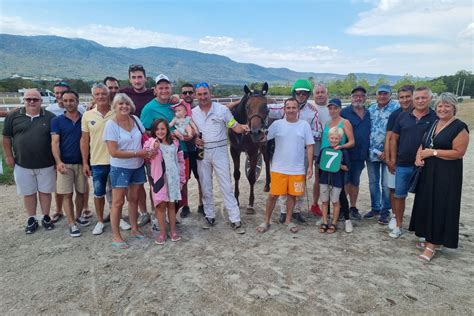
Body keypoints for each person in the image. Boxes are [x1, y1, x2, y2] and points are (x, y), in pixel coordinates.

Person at [410, 93, 469, 261]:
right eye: (440, 106)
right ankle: (430, 237)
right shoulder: (435, 123)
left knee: (441, 206)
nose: (443, 109)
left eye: (447, 106)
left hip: (447, 173)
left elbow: (459, 153)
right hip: (429, 171)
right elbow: (424, 143)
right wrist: (418, 156)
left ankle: (432, 245)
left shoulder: (459, 127)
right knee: (428, 203)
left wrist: (433, 152)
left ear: (454, 108)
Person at [192, 82, 249, 233]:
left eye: (205, 93)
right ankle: (209, 216)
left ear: (210, 94)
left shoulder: (222, 110)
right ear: (196, 96)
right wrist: (193, 139)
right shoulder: (192, 113)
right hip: (202, 151)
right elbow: (189, 132)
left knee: (226, 185)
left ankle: (235, 219)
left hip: (219, 150)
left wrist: (244, 127)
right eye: (200, 94)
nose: (203, 97)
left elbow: (234, 125)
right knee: (205, 186)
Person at [256, 98, 314, 234]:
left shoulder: (304, 125)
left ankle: (288, 220)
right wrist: (258, 133)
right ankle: (266, 221)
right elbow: (265, 138)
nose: (291, 110)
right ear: (284, 109)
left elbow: (310, 146)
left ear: (298, 110)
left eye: (294, 107)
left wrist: (310, 166)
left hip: (297, 168)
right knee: (272, 196)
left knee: (292, 196)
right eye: (288, 108)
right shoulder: (277, 124)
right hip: (278, 168)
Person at [266, 79, 320, 224]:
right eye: (299, 92)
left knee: (299, 185)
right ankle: (284, 211)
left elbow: (318, 131)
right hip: (284, 152)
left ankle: (296, 211)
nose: (301, 95)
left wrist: (304, 135)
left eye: (304, 93)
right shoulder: (282, 107)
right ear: (294, 93)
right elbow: (265, 107)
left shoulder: (312, 112)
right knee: (283, 187)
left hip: (301, 152)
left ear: (308, 94)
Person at [2, 89, 56, 233]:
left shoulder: (50, 117)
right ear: (23, 100)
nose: (31, 101)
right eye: (28, 99)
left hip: (46, 163)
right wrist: (8, 156)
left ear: (41, 101)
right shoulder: (13, 116)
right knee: (28, 192)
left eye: (35, 99)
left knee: (45, 191)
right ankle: (31, 218)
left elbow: (55, 141)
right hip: (22, 163)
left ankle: (45, 216)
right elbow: (6, 137)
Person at [388, 87, 437, 239]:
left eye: (423, 98)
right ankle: (398, 225)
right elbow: (394, 138)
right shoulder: (403, 116)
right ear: (413, 100)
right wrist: (393, 159)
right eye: (418, 98)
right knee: (399, 195)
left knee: (423, 198)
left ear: (429, 99)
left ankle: (422, 230)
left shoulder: (435, 117)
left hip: (425, 165)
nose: (420, 101)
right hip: (403, 163)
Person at [104, 93, 150, 249]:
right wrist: (138, 153)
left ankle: (134, 229)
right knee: (117, 202)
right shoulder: (111, 125)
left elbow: (145, 137)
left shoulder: (135, 120)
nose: (124, 106)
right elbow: (113, 152)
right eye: (120, 104)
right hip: (120, 167)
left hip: (137, 166)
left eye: (126, 104)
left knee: (134, 199)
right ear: (114, 107)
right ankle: (116, 236)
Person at [51, 90, 90, 237]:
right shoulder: (57, 121)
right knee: (67, 194)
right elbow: (55, 143)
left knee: (81, 192)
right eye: (65, 100)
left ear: (77, 101)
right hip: (65, 163)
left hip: (81, 162)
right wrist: (58, 162)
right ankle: (71, 223)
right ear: (62, 102)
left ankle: (78, 216)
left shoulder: (84, 119)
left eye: (71, 100)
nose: (68, 103)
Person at [120, 65, 155, 227]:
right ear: (129, 79)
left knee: (154, 179)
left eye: (140, 77)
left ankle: (156, 211)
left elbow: (167, 98)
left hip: (151, 144)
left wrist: (176, 99)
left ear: (145, 78)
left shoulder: (152, 94)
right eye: (134, 77)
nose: (137, 80)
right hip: (132, 146)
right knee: (138, 183)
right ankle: (143, 212)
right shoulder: (124, 94)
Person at [143, 119, 186, 245]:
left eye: (162, 128)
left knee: (171, 206)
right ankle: (162, 232)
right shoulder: (152, 142)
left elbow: (181, 161)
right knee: (160, 206)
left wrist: (182, 178)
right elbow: (148, 149)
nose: (160, 131)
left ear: (167, 129)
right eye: (157, 129)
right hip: (159, 181)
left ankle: (173, 230)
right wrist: (153, 146)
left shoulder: (175, 143)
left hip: (173, 180)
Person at [80, 83, 114, 235]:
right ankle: (100, 221)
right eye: (97, 94)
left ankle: (116, 217)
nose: (101, 97)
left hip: (116, 160)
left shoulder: (116, 112)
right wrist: (85, 162)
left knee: (116, 193)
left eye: (103, 93)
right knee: (98, 193)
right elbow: (84, 140)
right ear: (93, 96)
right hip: (97, 161)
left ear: (108, 95)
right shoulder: (87, 115)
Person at [364, 84, 399, 224]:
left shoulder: (396, 109)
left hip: (388, 153)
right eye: (380, 94)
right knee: (373, 182)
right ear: (376, 95)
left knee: (386, 184)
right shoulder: (371, 109)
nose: (382, 96)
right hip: (371, 152)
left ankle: (385, 210)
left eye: (385, 94)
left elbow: (397, 132)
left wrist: (388, 151)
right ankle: (375, 208)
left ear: (390, 94)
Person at [320, 98, 355, 232]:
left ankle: (346, 219)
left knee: (339, 194)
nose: (333, 110)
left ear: (340, 109)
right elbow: (325, 140)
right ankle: (326, 219)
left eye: (335, 108)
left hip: (338, 159)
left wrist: (340, 147)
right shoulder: (328, 122)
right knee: (326, 191)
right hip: (325, 159)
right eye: (330, 108)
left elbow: (352, 142)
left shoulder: (345, 122)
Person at [384, 85, 414, 231]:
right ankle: (395, 215)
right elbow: (389, 138)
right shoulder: (395, 115)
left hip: (417, 161)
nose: (405, 100)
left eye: (408, 96)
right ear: (397, 98)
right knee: (394, 190)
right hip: (398, 160)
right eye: (402, 97)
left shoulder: (424, 114)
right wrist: (390, 160)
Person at [340, 86, 370, 220]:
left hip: (361, 154)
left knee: (355, 182)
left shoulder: (369, 113)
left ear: (365, 98)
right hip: (346, 154)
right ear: (351, 98)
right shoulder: (344, 112)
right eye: (355, 96)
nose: (358, 98)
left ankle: (353, 207)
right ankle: (342, 207)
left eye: (361, 95)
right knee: (344, 182)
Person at [179, 83, 204, 218]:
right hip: (185, 150)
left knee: (201, 177)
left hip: (199, 148)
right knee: (185, 179)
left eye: (190, 92)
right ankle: (185, 205)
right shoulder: (178, 109)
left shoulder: (200, 109)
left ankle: (201, 204)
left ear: (194, 94)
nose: (187, 95)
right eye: (185, 93)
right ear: (181, 94)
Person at [318, 127, 349, 234]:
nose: (334, 140)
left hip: (337, 181)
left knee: (335, 201)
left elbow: (347, 167)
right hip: (324, 180)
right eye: (332, 138)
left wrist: (339, 165)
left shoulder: (343, 152)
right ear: (328, 138)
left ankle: (334, 223)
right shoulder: (323, 150)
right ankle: (325, 221)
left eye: (336, 138)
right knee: (324, 201)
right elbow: (319, 165)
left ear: (340, 139)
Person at [310, 83, 331, 217]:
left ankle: (315, 204)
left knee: (319, 177)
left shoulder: (332, 108)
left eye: (322, 92)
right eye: (317, 92)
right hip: (309, 144)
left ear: (326, 93)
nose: (320, 95)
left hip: (324, 146)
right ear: (313, 95)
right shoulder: (309, 106)